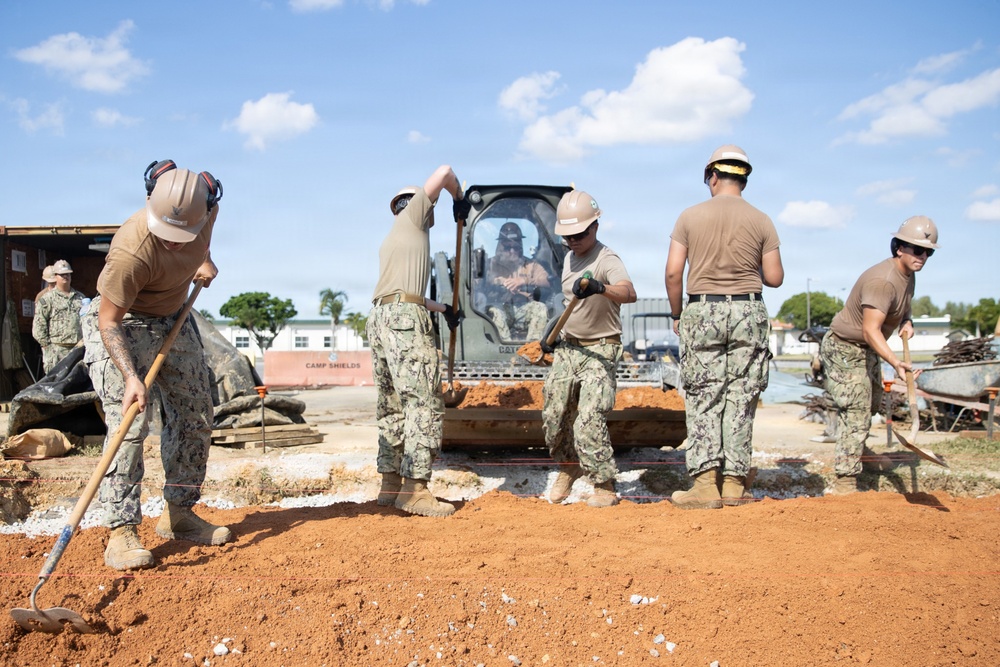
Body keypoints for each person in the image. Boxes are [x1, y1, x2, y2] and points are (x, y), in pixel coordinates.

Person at [82, 159, 229, 571]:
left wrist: (203, 259)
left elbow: (203, 241)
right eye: (168, 236)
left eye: (185, 236)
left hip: (172, 318)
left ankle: (179, 513)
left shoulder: (207, 209)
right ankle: (121, 531)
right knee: (129, 423)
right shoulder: (130, 250)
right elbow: (107, 320)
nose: (175, 244)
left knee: (195, 413)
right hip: (123, 323)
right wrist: (131, 377)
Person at [665, 145, 784, 509]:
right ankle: (734, 485)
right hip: (749, 311)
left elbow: (673, 272)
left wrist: (676, 314)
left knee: (704, 396)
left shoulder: (689, 216)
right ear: (744, 178)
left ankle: (704, 488)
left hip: (703, 310)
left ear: (711, 176)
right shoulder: (762, 220)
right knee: (741, 398)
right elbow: (775, 278)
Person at [368, 164, 468, 517]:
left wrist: (443, 309)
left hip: (382, 316)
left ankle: (391, 482)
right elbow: (445, 171)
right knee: (424, 401)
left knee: (393, 405)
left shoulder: (397, 238)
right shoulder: (414, 219)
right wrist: (458, 198)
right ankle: (415, 490)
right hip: (403, 321)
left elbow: (407, 294)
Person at [820, 216, 938, 494]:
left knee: (871, 402)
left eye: (928, 252)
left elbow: (902, 309)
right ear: (899, 248)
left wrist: (907, 322)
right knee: (857, 409)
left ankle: (859, 453)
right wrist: (896, 363)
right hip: (844, 347)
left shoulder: (909, 276)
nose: (923, 256)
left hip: (866, 348)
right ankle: (846, 480)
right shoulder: (882, 281)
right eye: (917, 250)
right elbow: (871, 330)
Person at [542, 190, 636, 508]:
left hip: (601, 348)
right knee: (554, 415)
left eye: (579, 234)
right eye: (567, 236)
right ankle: (568, 466)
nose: (573, 241)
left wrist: (600, 287)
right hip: (569, 347)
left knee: (588, 419)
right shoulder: (569, 258)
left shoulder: (606, 258)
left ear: (595, 227)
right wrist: (550, 336)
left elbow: (629, 292)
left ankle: (603, 482)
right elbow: (570, 306)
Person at [484, 221, 552, 341]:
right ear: (500, 245)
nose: (512, 251)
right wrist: (499, 283)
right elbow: (477, 284)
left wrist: (524, 280)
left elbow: (549, 281)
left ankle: (532, 352)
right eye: (507, 247)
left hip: (524, 307)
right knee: (495, 312)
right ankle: (504, 355)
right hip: (500, 307)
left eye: (516, 247)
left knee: (540, 308)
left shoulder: (531, 265)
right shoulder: (489, 265)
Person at [32, 259, 86, 373]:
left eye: (68, 274)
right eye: (62, 275)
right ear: (56, 276)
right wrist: (47, 347)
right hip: (57, 350)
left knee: (78, 384)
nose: (65, 277)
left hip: (77, 348)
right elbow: (38, 326)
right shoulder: (47, 299)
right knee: (56, 385)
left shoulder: (80, 298)